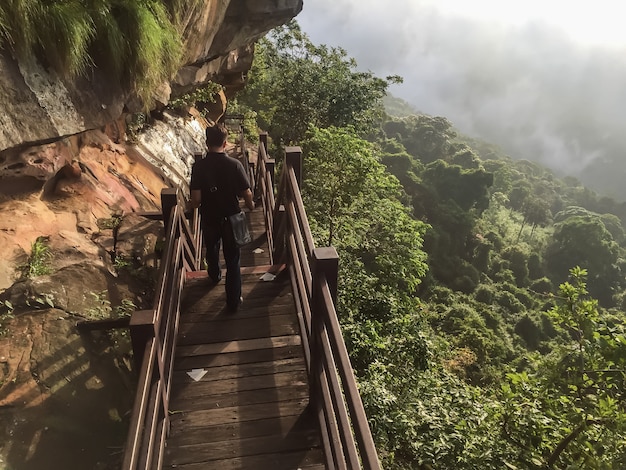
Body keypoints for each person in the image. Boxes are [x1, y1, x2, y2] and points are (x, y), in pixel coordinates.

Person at [190, 124, 255, 312]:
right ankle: (233, 300)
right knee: (233, 259)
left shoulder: (199, 167)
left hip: (210, 217)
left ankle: (214, 274)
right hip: (232, 218)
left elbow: (196, 199)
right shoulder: (234, 165)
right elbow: (247, 193)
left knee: (211, 247)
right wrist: (250, 206)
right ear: (225, 143)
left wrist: (192, 205)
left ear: (206, 142)